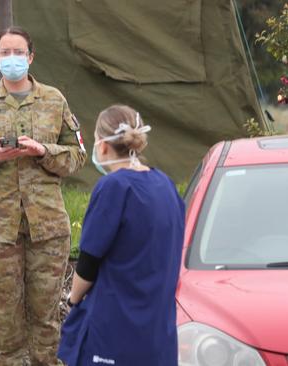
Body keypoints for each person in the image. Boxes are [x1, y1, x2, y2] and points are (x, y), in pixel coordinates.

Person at [0, 26, 87, 366]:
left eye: (18, 52)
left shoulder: (54, 101)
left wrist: (44, 151)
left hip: (48, 228)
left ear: (31, 56)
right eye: (5, 53)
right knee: (5, 321)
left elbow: (77, 156)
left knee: (45, 319)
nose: (12, 59)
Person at [57, 105, 185, 366]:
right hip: (157, 331)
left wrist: (72, 299)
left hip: (114, 330)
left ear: (102, 146)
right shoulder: (165, 185)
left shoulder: (113, 187)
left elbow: (89, 262)